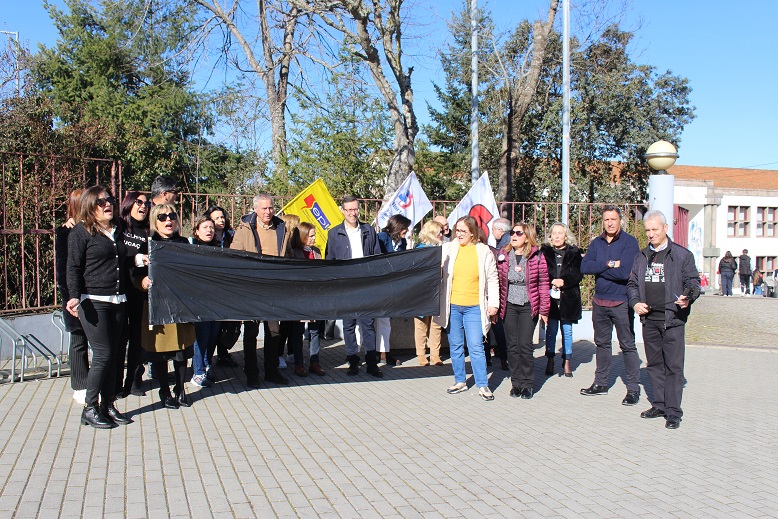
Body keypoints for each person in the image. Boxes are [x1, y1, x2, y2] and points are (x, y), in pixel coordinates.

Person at [65, 186, 131, 429]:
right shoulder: (81, 233)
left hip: (118, 300)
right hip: (93, 301)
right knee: (102, 354)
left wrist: (138, 259)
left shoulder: (117, 231)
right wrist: (74, 297)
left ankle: (108, 405)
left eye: (110, 200)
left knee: (114, 356)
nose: (107, 204)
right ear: (90, 206)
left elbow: (120, 259)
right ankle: (90, 408)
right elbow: (73, 268)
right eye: (101, 201)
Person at [627, 210, 700, 430]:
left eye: (655, 230)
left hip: (672, 320)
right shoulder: (641, 256)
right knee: (655, 365)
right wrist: (635, 303)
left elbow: (693, 283)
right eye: (647, 230)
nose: (650, 234)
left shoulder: (681, 255)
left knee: (674, 367)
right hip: (650, 320)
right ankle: (659, 404)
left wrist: (688, 298)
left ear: (665, 229)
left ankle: (673, 411)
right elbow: (632, 284)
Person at [580, 205, 641, 406]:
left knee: (627, 346)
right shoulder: (596, 242)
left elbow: (625, 272)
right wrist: (608, 264)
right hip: (600, 301)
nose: (610, 223)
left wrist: (600, 267)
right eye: (606, 219)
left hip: (621, 302)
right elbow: (585, 267)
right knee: (602, 344)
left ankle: (633, 389)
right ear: (603, 221)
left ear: (620, 220)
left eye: (613, 219)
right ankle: (601, 383)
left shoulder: (629, 242)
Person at [137, 204, 196, 409]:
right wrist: (142, 282)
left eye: (171, 216)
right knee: (160, 354)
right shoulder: (148, 244)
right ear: (155, 221)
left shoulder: (185, 243)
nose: (168, 220)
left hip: (181, 305)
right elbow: (134, 274)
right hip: (158, 306)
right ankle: (164, 391)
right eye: (162, 217)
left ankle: (180, 390)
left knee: (181, 353)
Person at [434, 216, 499, 401]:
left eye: (463, 231)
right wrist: (438, 268)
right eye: (457, 230)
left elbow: (492, 279)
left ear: (472, 232)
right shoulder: (448, 248)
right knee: (455, 346)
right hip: (452, 305)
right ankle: (460, 381)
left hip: (474, 307)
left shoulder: (483, 251)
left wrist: (493, 303)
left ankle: (482, 384)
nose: (459, 234)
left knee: (476, 346)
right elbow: (437, 274)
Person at [230, 193, 291, 388]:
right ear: (255, 209)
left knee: (274, 332)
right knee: (251, 332)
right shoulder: (245, 228)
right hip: (252, 288)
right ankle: (251, 373)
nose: (268, 212)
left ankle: (271, 371)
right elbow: (234, 255)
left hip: (274, 288)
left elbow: (288, 256)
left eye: (271, 207)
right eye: (264, 208)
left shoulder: (282, 228)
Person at [325, 195, 383, 378]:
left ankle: (372, 363)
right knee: (348, 325)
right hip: (346, 287)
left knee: (368, 325)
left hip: (365, 286)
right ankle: (353, 361)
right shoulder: (334, 233)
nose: (353, 213)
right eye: (349, 210)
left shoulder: (368, 230)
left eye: (355, 209)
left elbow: (377, 256)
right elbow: (330, 260)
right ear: (342, 210)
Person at [500, 222, 550, 399]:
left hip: (529, 305)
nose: (513, 235)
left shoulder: (537, 256)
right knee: (512, 346)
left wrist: (544, 309)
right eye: (512, 232)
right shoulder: (504, 255)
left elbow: (544, 284)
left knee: (525, 345)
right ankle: (516, 383)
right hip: (509, 305)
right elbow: (498, 281)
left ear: (527, 236)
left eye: (518, 233)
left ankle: (528, 383)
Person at [55, 188, 89, 405]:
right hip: (75, 294)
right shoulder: (65, 232)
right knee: (78, 339)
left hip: (95, 291)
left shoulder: (94, 229)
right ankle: (80, 384)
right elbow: (63, 268)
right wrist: (70, 297)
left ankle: (94, 383)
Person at [117, 191, 151, 397]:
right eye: (139, 202)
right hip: (120, 290)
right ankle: (117, 383)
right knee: (121, 339)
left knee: (137, 339)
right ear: (129, 204)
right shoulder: (119, 227)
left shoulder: (148, 230)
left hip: (140, 291)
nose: (143, 206)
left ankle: (134, 381)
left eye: (146, 203)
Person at [541, 222, 583, 378]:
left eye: (560, 233)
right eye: (554, 233)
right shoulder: (544, 252)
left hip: (568, 298)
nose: (557, 236)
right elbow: (541, 272)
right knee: (551, 331)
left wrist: (564, 281)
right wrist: (552, 280)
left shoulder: (574, 252)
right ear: (550, 236)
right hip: (550, 298)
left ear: (566, 236)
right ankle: (550, 359)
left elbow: (578, 273)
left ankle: (567, 361)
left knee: (567, 330)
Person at [203, 205, 240, 367]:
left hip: (230, 286)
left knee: (229, 324)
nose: (221, 220)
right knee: (212, 326)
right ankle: (207, 359)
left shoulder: (232, 236)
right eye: (216, 218)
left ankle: (223, 353)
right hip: (211, 288)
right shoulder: (205, 238)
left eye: (222, 217)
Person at [188, 216, 221, 387]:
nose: (209, 230)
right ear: (196, 230)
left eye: (211, 227)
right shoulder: (191, 248)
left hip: (215, 300)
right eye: (205, 227)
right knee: (201, 336)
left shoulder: (218, 248)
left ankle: (207, 365)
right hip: (199, 301)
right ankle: (198, 371)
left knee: (212, 335)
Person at [376, 214, 412, 366]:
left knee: (385, 320)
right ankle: (360, 353)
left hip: (391, 286)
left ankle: (384, 352)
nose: (407, 231)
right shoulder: (382, 238)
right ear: (398, 226)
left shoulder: (402, 242)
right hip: (378, 284)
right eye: (405, 228)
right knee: (367, 321)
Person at [293, 221, 326, 376]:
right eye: (311, 235)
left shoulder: (317, 251)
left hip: (316, 297)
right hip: (300, 297)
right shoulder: (294, 252)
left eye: (314, 235)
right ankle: (299, 363)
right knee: (298, 331)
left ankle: (315, 362)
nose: (313, 238)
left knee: (314, 331)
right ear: (303, 236)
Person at [414, 220, 446, 366]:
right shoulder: (420, 249)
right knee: (421, 324)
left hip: (438, 290)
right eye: (439, 232)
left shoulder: (444, 248)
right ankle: (421, 355)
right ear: (432, 233)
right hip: (422, 291)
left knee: (436, 324)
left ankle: (435, 355)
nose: (442, 234)